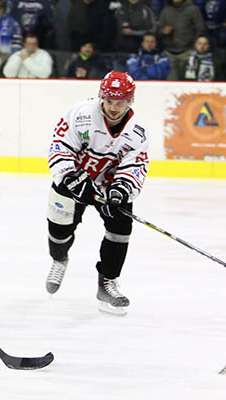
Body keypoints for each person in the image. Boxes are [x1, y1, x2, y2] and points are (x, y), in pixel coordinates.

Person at [45, 71, 150, 316]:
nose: (114, 108)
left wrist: (122, 189)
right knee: (58, 230)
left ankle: (107, 282)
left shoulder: (138, 131)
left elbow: (136, 165)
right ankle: (59, 259)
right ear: (102, 97)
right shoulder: (80, 114)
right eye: (110, 101)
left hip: (109, 187)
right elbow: (59, 145)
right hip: (74, 181)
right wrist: (70, 177)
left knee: (120, 231)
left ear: (130, 101)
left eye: (121, 102)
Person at [158, 0, 205, 80]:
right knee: (171, 84)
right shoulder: (166, 10)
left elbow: (200, 29)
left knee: (188, 83)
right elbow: (159, 29)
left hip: (188, 52)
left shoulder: (193, 10)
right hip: (169, 53)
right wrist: (163, 31)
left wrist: (194, 48)